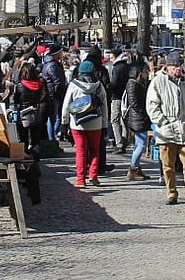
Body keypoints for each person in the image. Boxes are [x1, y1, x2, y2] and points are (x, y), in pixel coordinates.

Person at [146, 51, 185, 205]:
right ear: (167, 67)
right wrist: (162, 122)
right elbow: (152, 105)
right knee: (168, 165)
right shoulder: (158, 82)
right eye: (175, 66)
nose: (178, 69)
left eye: (180, 66)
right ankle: (171, 193)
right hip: (167, 130)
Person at [61, 57, 109, 188]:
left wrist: (64, 122)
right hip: (96, 123)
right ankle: (93, 175)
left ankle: (80, 179)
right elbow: (104, 106)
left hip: (77, 124)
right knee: (95, 151)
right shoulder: (99, 86)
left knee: (81, 151)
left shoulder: (73, 85)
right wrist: (105, 124)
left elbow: (66, 105)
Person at [124, 59, 153, 180]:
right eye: (146, 72)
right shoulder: (132, 83)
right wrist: (144, 113)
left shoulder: (142, 83)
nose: (148, 74)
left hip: (140, 118)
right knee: (141, 145)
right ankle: (133, 168)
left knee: (139, 144)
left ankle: (137, 168)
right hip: (138, 118)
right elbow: (134, 102)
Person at [12, 61, 48, 155]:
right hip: (36, 112)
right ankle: (35, 156)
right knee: (35, 137)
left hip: (23, 113)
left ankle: (25, 154)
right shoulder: (39, 84)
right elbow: (43, 97)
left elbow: (16, 100)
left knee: (23, 137)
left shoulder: (20, 85)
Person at [109, 49, 134, 154]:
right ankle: (125, 141)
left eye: (111, 57)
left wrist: (110, 90)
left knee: (115, 120)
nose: (110, 60)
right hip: (126, 96)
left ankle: (119, 143)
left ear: (116, 57)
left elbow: (114, 83)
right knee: (124, 120)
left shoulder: (117, 68)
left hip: (116, 96)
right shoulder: (127, 66)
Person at [41, 45, 67, 143]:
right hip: (53, 95)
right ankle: (52, 140)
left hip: (51, 94)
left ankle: (52, 139)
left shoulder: (51, 64)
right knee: (54, 118)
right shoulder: (52, 65)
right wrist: (56, 93)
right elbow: (57, 81)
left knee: (53, 118)